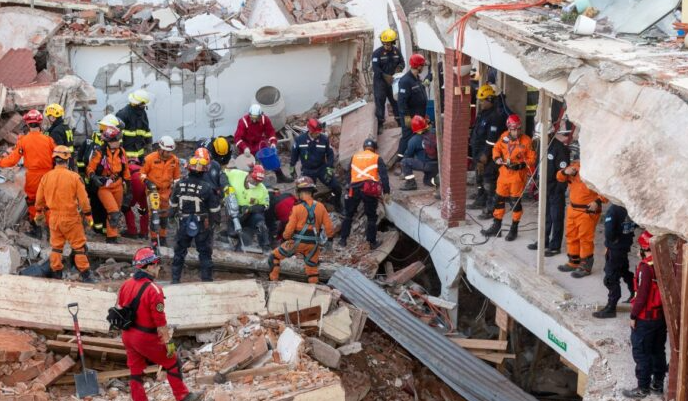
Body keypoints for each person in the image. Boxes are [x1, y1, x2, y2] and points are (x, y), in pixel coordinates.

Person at [118, 247, 202, 401]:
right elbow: (160, 322)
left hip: (128, 335)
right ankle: (183, 396)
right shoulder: (154, 290)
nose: (158, 267)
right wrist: (168, 342)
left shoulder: (126, 284)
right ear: (149, 267)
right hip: (145, 337)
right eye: (156, 264)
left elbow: (120, 307)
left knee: (135, 371)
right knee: (172, 361)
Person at [35, 146, 95, 283]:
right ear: (67, 159)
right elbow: (84, 200)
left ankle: (57, 275)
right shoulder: (74, 177)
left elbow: (39, 200)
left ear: (54, 160)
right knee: (79, 247)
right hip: (71, 218)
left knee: (56, 247)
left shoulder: (46, 177)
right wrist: (88, 215)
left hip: (54, 218)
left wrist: (39, 212)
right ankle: (86, 276)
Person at [622, 230, 666, 399]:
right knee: (658, 350)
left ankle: (643, 388)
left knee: (642, 353)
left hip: (645, 318)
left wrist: (633, 316)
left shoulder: (645, 268)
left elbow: (641, 296)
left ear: (642, 249)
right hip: (660, 317)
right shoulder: (663, 263)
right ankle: (658, 383)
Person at [0, 110, 56, 238]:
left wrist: (0, 162)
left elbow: (12, 160)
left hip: (33, 176)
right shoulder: (49, 140)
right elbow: (57, 157)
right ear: (40, 123)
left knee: (33, 202)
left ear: (27, 123)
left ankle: (37, 230)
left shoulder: (23, 141)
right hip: (49, 175)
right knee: (48, 203)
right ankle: (53, 231)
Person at [268, 176, 334, 284]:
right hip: (314, 244)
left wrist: (285, 238)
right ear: (312, 192)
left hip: (297, 242)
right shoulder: (321, 207)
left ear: (299, 192)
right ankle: (314, 288)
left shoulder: (297, 208)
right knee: (312, 269)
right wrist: (330, 240)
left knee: (274, 257)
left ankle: (273, 281)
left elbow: (289, 230)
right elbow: (329, 227)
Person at [481, 114, 536, 241]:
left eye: (518, 129)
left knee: (515, 203)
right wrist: (496, 158)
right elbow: (496, 148)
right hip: (504, 174)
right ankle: (497, 226)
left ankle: (514, 228)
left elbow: (532, 159)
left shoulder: (526, 141)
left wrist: (521, 163)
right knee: (498, 200)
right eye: (513, 129)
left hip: (517, 176)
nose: (516, 132)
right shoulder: (504, 136)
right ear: (509, 128)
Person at [169, 151, 221, 283]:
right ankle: (207, 280)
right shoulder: (207, 187)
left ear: (188, 168)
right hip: (202, 224)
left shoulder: (179, 184)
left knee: (179, 252)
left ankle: (175, 280)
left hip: (182, 223)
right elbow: (214, 210)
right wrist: (215, 223)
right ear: (204, 171)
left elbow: (172, 205)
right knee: (204, 253)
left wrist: (170, 218)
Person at [556, 150, 607, 278]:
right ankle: (573, 262)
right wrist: (564, 172)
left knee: (585, 238)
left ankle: (585, 266)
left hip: (587, 210)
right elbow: (559, 177)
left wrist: (598, 201)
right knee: (571, 235)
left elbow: (606, 190)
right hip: (573, 209)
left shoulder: (596, 170)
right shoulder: (574, 167)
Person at [339, 139, 390, 249]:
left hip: (354, 188)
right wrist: (386, 192)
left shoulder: (355, 157)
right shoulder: (376, 158)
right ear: (374, 149)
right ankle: (372, 242)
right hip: (369, 189)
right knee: (371, 217)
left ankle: (343, 240)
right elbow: (384, 176)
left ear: (364, 147)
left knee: (348, 215)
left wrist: (348, 186)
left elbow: (348, 174)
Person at [527, 127, 570, 255]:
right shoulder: (541, 145)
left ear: (550, 134)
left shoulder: (560, 149)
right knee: (545, 216)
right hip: (544, 187)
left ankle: (555, 246)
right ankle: (543, 241)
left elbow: (563, 172)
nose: (540, 139)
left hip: (555, 189)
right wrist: (536, 179)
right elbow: (538, 164)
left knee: (556, 217)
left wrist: (559, 190)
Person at [76, 114, 121, 236]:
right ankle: (95, 228)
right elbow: (81, 159)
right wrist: (82, 174)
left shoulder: (114, 144)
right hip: (89, 179)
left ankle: (105, 230)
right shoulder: (90, 141)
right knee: (93, 204)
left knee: (105, 206)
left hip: (105, 182)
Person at [86, 125, 132, 244]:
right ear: (110, 141)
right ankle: (111, 239)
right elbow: (90, 168)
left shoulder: (121, 152)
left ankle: (112, 235)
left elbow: (125, 169)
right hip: (104, 186)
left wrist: (129, 187)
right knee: (113, 211)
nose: (119, 141)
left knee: (117, 212)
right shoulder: (99, 152)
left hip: (118, 185)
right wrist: (93, 177)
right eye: (116, 140)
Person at [468, 84, 507, 216]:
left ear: (490, 100)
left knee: (489, 181)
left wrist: (485, 155)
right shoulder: (483, 113)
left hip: (488, 155)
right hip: (478, 151)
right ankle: (481, 198)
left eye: (483, 101)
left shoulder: (495, 116)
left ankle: (492, 207)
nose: (481, 103)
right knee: (479, 177)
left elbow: (492, 139)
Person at [289, 118, 343, 212]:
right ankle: (310, 211)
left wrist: (329, 168)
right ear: (310, 130)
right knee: (306, 193)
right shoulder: (300, 140)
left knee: (337, 187)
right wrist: (292, 166)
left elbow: (330, 154)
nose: (318, 134)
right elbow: (294, 154)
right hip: (307, 170)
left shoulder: (324, 139)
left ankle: (337, 203)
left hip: (322, 168)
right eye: (316, 133)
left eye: (319, 132)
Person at [593, 204, 636, 319]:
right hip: (624, 246)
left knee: (610, 279)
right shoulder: (630, 206)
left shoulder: (614, 210)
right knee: (623, 271)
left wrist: (612, 241)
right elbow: (634, 225)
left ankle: (611, 307)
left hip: (615, 248)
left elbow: (609, 231)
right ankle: (634, 293)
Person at [234, 104, 292, 183]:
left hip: (259, 144)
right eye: (252, 118)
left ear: (261, 115)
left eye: (256, 118)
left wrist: (273, 142)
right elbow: (237, 138)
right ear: (249, 115)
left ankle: (280, 177)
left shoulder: (265, 119)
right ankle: (248, 183)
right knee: (248, 168)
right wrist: (244, 148)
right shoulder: (243, 122)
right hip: (247, 147)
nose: (254, 120)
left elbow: (271, 132)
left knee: (272, 159)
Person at [140, 136, 181, 247]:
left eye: (170, 151)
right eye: (167, 151)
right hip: (153, 191)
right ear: (161, 148)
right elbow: (142, 174)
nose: (168, 154)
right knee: (154, 215)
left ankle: (162, 237)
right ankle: (154, 239)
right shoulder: (149, 159)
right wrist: (147, 182)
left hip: (167, 192)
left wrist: (176, 190)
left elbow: (177, 177)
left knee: (164, 216)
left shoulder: (174, 160)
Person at [225, 165, 271, 252]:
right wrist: (225, 185)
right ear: (249, 174)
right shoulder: (236, 174)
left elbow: (265, 206)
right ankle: (231, 237)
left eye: (258, 182)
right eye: (254, 181)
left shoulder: (262, 190)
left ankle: (265, 247)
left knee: (260, 223)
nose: (255, 184)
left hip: (250, 215)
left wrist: (251, 209)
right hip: (233, 210)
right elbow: (223, 173)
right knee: (232, 233)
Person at [396, 53, 429, 161]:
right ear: (418, 66)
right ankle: (400, 161)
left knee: (417, 137)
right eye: (422, 66)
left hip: (419, 115)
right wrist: (407, 118)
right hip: (410, 116)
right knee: (407, 137)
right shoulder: (406, 81)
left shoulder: (417, 79)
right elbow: (402, 102)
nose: (423, 67)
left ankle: (412, 158)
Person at [372, 28, 404, 133]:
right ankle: (380, 124)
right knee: (380, 101)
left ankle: (400, 122)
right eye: (384, 44)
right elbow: (375, 68)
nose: (386, 46)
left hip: (393, 81)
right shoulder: (377, 53)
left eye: (388, 44)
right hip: (380, 82)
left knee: (396, 101)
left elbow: (402, 63)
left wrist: (399, 68)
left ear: (393, 43)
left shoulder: (396, 52)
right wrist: (385, 76)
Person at [400, 115, 438, 190]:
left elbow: (408, 155)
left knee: (405, 162)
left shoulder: (414, 140)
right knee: (427, 182)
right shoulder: (435, 132)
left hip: (426, 165)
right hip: (437, 165)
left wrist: (403, 172)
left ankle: (411, 184)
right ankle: (438, 181)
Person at [117, 89, 152, 160]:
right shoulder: (123, 114)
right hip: (127, 153)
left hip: (140, 152)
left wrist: (149, 143)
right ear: (137, 103)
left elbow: (146, 130)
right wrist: (119, 149)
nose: (144, 106)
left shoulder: (142, 113)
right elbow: (117, 133)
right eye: (143, 104)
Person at [122, 160, 149, 240]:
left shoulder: (127, 167)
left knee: (126, 207)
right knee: (143, 208)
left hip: (135, 181)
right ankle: (144, 233)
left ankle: (132, 231)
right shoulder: (141, 167)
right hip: (145, 181)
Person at [44, 103, 75, 169]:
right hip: (69, 159)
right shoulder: (66, 127)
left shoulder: (56, 131)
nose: (48, 119)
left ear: (53, 117)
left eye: (48, 116)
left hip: (62, 163)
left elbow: (58, 150)